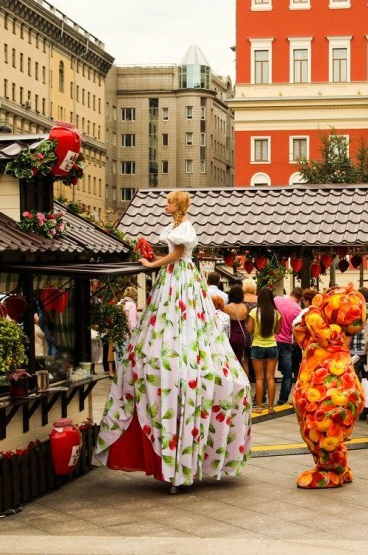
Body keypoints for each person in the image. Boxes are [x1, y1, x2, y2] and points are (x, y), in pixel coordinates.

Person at [94, 191, 251, 493]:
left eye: (168, 202)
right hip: (176, 280)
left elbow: (177, 255)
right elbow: (172, 254)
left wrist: (153, 264)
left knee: (178, 322)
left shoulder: (184, 229)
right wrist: (154, 260)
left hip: (180, 280)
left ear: (177, 206)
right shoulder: (178, 229)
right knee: (169, 324)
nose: (164, 205)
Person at [248, 286, 282, 414]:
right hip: (272, 345)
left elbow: (250, 329)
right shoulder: (276, 313)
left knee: (259, 378)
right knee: (270, 377)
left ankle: (259, 407)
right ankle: (271, 407)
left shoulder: (254, 312)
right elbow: (278, 331)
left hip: (257, 346)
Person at [274, 287, 302, 405]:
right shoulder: (298, 310)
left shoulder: (276, 300)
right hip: (286, 342)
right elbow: (297, 330)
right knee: (287, 372)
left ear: (291, 293)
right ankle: (283, 398)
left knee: (268, 371)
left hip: (272, 339)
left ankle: (263, 397)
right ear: (300, 299)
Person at [223, 284, 248, 368]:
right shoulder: (244, 307)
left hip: (230, 336)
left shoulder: (227, 308)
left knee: (230, 362)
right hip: (242, 336)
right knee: (239, 361)